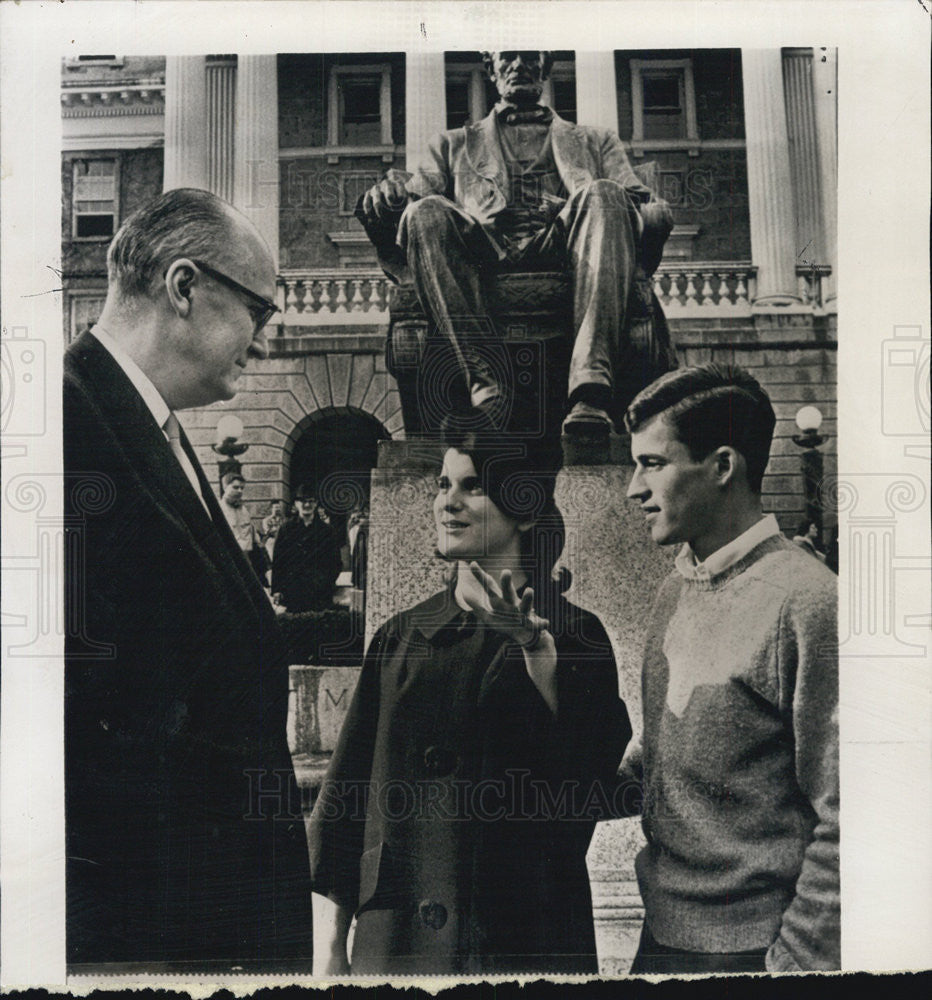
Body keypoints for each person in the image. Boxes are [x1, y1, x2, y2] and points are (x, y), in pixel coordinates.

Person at [63, 188, 312, 967]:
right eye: (259, 313)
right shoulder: (66, 427)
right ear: (183, 287)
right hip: (152, 939)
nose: (265, 344)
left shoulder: (145, 424)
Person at [307, 428, 631, 976]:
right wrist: (329, 948)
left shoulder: (576, 635)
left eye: (472, 486)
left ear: (524, 512)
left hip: (522, 937)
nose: (446, 501)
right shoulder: (399, 637)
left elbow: (590, 777)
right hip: (397, 941)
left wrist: (535, 649)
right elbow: (343, 800)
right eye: (442, 484)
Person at [623, 363, 839, 973]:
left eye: (652, 464)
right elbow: (667, 759)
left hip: (752, 953)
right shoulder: (676, 589)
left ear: (722, 467)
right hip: (660, 942)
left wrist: (792, 966)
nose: (632, 489)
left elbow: (852, 816)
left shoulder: (809, 601)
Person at [360, 50, 675, 434]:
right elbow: (412, 204)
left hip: (565, 245)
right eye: (508, 56)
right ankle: (486, 386)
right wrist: (389, 195)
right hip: (482, 252)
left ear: (544, 68)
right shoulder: (451, 144)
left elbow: (642, 205)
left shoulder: (596, 140)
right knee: (425, 213)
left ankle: (590, 387)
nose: (519, 65)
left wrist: (568, 208)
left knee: (607, 193)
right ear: (491, 69)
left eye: (530, 56)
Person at [271, 484, 341, 613]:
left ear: (316, 504)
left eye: (311, 501)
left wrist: (324, 583)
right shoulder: (286, 529)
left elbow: (335, 563)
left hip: (319, 593)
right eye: (303, 501)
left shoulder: (327, 531)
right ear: (296, 504)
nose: (307, 505)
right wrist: (277, 589)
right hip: (293, 591)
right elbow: (278, 561)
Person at [218, 470, 269, 581]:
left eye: (242, 488)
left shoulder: (244, 510)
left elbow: (253, 536)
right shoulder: (218, 510)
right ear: (225, 487)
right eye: (235, 487)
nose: (240, 491)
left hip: (247, 561)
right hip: (228, 561)